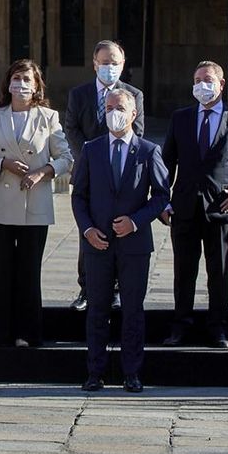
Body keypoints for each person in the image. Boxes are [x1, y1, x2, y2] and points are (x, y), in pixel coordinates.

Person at [71, 88, 168, 394]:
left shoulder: (149, 151)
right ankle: (95, 372)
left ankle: (132, 372)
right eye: (110, 107)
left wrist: (136, 221)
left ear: (133, 113)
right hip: (97, 243)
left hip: (134, 246)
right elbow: (79, 196)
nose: (115, 112)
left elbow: (162, 195)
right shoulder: (92, 149)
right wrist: (87, 230)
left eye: (120, 107)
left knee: (132, 310)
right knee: (97, 308)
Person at [0, 59, 71, 349]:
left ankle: (29, 333)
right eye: (17, 78)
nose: (22, 84)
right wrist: (2, 163)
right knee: (0, 269)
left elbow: (66, 158)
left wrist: (43, 172)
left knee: (29, 271)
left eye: (28, 79)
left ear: (37, 85)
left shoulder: (48, 117)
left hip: (34, 203)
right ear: (8, 82)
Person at [161, 60, 228, 349]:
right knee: (183, 272)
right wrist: (162, 200)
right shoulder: (181, 118)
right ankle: (181, 325)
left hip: (221, 208)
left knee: (219, 272)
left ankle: (218, 327)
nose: (203, 84)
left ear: (221, 84)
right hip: (185, 207)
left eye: (209, 79)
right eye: (198, 79)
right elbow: (166, 163)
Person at [64, 39, 146, 312]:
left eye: (115, 63)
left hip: (122, 175)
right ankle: (86, 289)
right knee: (88, 232)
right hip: (89, 173)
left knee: (121, 233)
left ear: (122, 66)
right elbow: (71, 129)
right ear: (95, 64)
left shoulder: (134, 94)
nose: (109, 67)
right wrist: (89, 157)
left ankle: (117, 291)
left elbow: (140, 132)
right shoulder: (80, 94)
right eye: (105, 62)